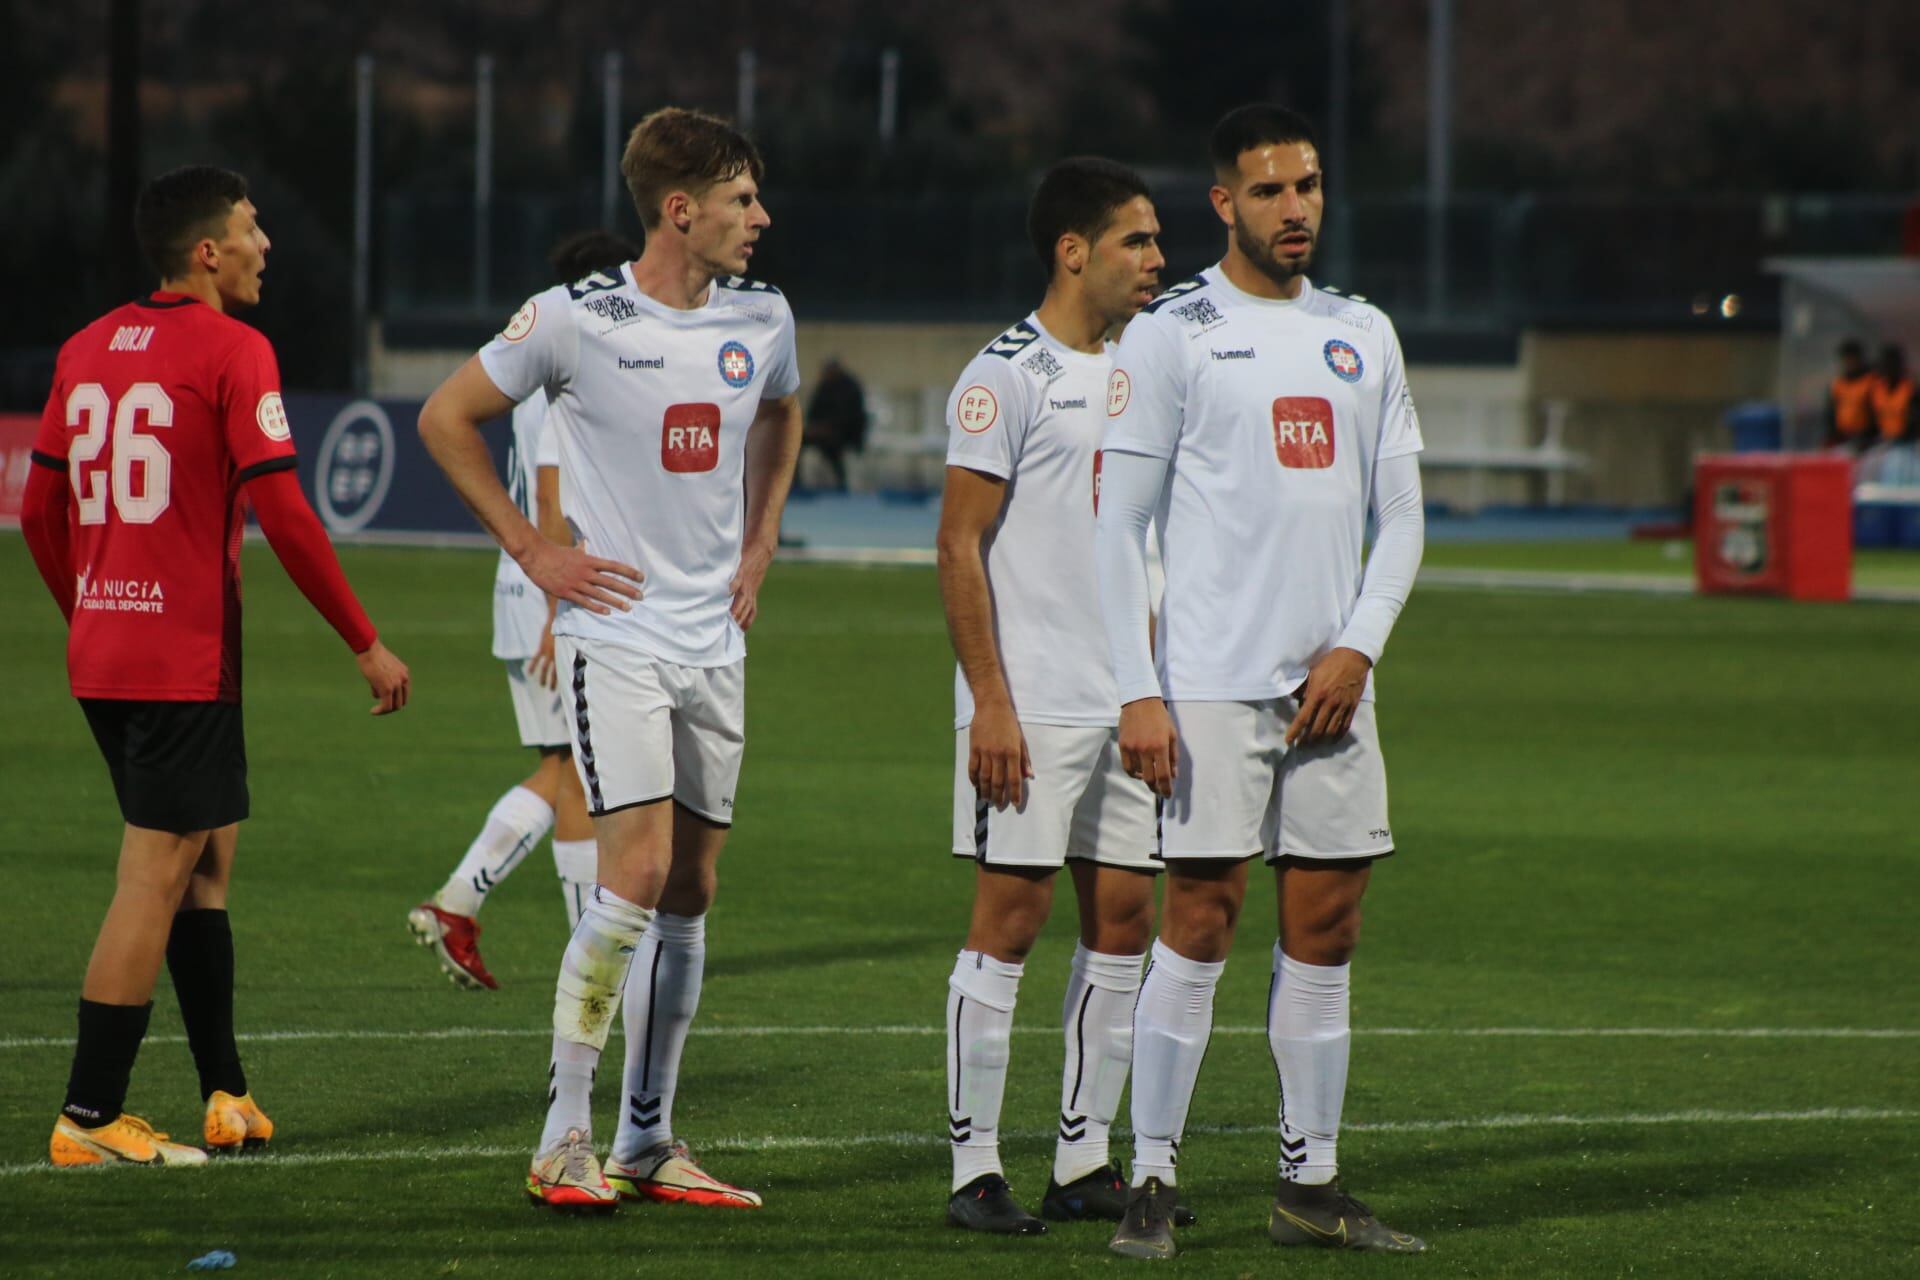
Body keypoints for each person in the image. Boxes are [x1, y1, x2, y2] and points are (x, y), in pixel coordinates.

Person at [417, 107, 802, 1214]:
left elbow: (779, 412)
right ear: (680, 210)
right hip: (616, 636)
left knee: (691, 888)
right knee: (632, 871)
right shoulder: (573, 319)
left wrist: (763, 533)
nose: (759, 218)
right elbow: (449, 416)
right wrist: (535, 551)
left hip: (712, 640)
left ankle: (647, 1137)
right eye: (740, 199)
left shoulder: (763, 314)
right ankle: (561, 1134)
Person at [21, 165, 411, 1167]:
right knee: (155, 873)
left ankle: (225, 1090)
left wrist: (93, 609)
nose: (264, 243)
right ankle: (90, 1114)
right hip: (178, 659)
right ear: (208, 251)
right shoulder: (234, 350)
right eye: (249, 227)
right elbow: (283, 511)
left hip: (106, 651)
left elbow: (38, 512)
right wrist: (364, 639)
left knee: (202, 862)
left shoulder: (82, 348)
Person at [1094, 105, 1428, 1258]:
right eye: (1273, 190)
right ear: (1222, 203)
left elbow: (1405, 517)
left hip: (1335, 686)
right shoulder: (1172, 331)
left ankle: (1311, 1184)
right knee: (1200, 920)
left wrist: (1360, 644)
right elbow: (1116, 523)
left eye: (1312, 185)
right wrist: (1139, 689)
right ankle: (1149, 1174)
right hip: (1208, 685)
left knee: (1327, 924)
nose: (1299, 208)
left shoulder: (1362, 332)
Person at [936, 157, 1183, 1236]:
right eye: (1138, 240)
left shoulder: (1155, 367)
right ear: (1073, 249)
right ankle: (973, 1165)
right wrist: (988, 700)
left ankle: (1083, 1156)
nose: (1158, 259)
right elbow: (957, 542)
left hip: (1133, 697)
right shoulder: (1005, 376)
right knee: (1012, 917)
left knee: (1124, 917)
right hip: (1028, 698)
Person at [407, 229, 641, 990]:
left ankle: (462, 903)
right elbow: (548, 496)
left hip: (526, 588)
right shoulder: (565, 373)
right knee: (576, 775)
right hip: (548, 592)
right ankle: (582, 949)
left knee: (560, 766)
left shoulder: (538, 367)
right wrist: (555, 609)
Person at [802, 357, 867, 489]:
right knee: (795, 441)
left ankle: (841, 483)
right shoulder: (824, 387)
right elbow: (813, 412)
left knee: (833, 447)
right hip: (822, 432)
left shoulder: (851, 388)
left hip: (845, 435)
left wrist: (828, 428)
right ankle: (795, 482)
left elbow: (851, 418)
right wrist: (815, 427)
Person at [1826, 339, 1874, 450]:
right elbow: (1831, 413)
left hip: (1865, 439)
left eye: (1852, 359)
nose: (1849, 363)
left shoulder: (1870, 382)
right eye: (1846, 359)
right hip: (1843, 437)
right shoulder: (1838, 384)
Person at [1869, 344, 1914, 446]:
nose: (1889, 369)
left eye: (1892, 365)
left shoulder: (1910, 389)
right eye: (1886, 365)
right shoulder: (1876, 389)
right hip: (1883, 441)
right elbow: (1872, 420)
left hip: (1907, 442)